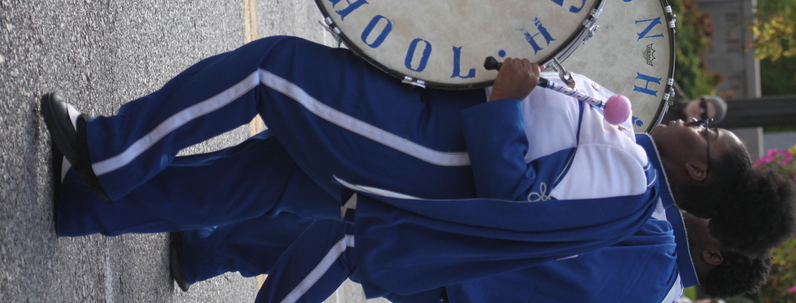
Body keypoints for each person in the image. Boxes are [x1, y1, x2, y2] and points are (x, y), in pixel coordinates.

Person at [42, 36, 794, 296]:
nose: (695, 122)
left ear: (697, 174)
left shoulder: (632, 182)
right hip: (431, 141)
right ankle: (86, 207)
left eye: (706, 138)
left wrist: (505, 104)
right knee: (271, 173)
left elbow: (519, 204)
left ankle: (114, 152)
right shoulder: (635, 167)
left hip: (427, 153)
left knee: (272, 73)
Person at [169, 211, 771, 303]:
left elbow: (559, 247)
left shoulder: (657, 245)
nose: (708, 214)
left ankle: (207, 250)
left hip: (470, 267)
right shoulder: (661, 289)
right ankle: (204, 251)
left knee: (345, 236)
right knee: (341, 232)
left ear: (714, 255)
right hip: (467, 284)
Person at [663, 80, 728, 125]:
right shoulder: (670, 88)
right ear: (700, 98)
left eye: (704, 115)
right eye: (703, 105)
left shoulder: (675, 133)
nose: (700, 110)